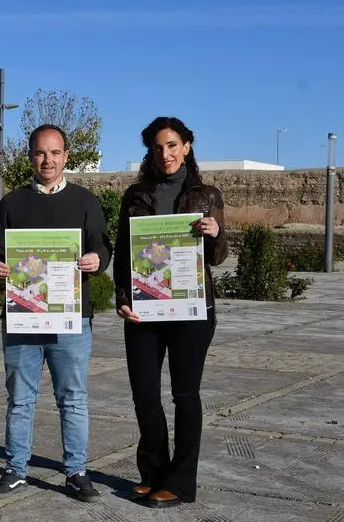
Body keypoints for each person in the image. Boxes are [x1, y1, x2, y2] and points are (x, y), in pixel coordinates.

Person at [0, 124, 112, 503]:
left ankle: (76, 471)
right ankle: (15, 469)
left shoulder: (85, 201)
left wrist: (95, 260)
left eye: (55, 153)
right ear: (30, 157)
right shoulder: (12, 202)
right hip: (22, 318)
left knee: (72, 397)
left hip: (71, 319)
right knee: (20, 399)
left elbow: (102, 247)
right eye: (40, 153)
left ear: (66, 156)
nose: (47, 160)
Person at [113, 116, 228, 508]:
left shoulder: (206, 194)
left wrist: (215, 233)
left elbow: (217, 256)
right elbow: (124, 254)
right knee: (145, 395)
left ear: (187, 146)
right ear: (151, 151)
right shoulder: (136, 195)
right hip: (145, 310)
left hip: (192, 310)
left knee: (185, 395)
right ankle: (153, 473)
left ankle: (180, 483)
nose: (166, 154)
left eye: (173, 145)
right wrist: (122, 298)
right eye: (159, 147)